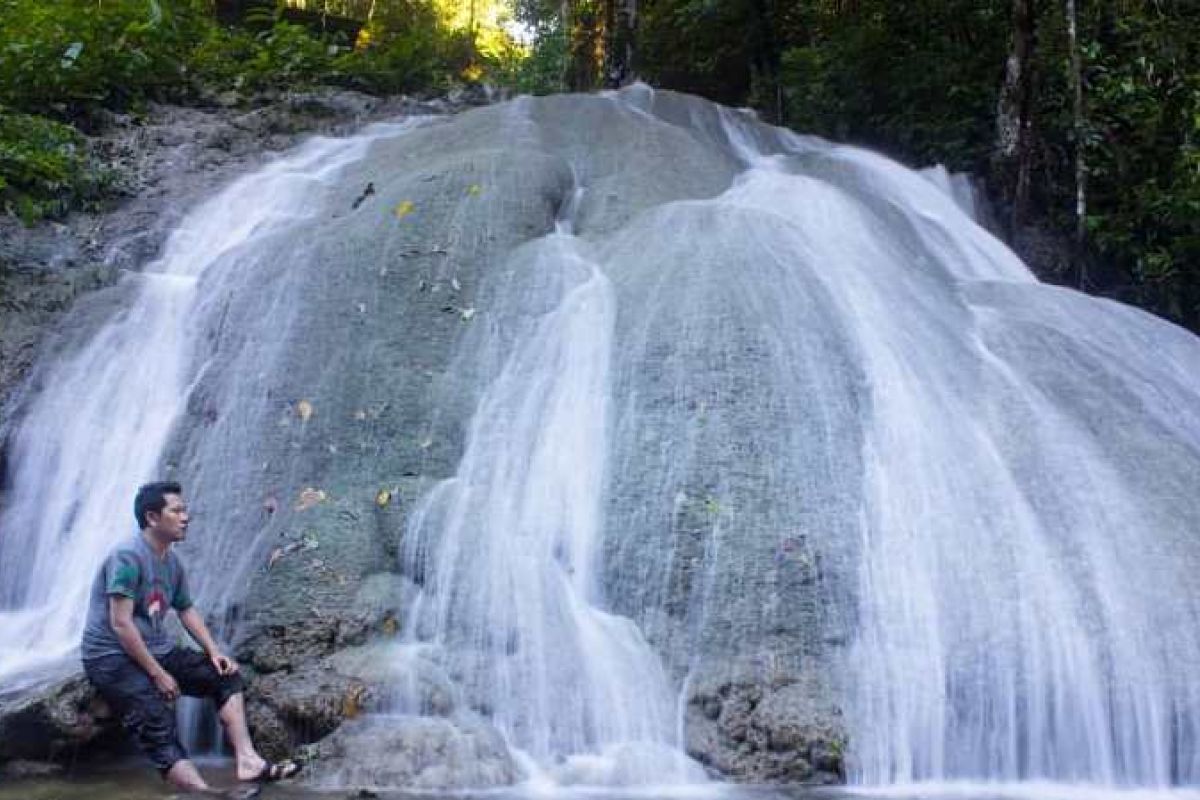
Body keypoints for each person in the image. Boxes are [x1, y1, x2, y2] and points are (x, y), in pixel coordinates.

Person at [80, 481, 299, 796]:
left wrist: (214, 651)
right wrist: (158, 674)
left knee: (225, 677)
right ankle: (203, 793)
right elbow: (121, 624)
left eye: (185, 510)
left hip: (155, 647)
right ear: (153, 517)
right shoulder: (127, 558)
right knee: (155, 715)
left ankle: (249, 762)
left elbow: (186, 610)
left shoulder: (171, 562)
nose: (186, 517)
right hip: (110, 656)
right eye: (177, 510)